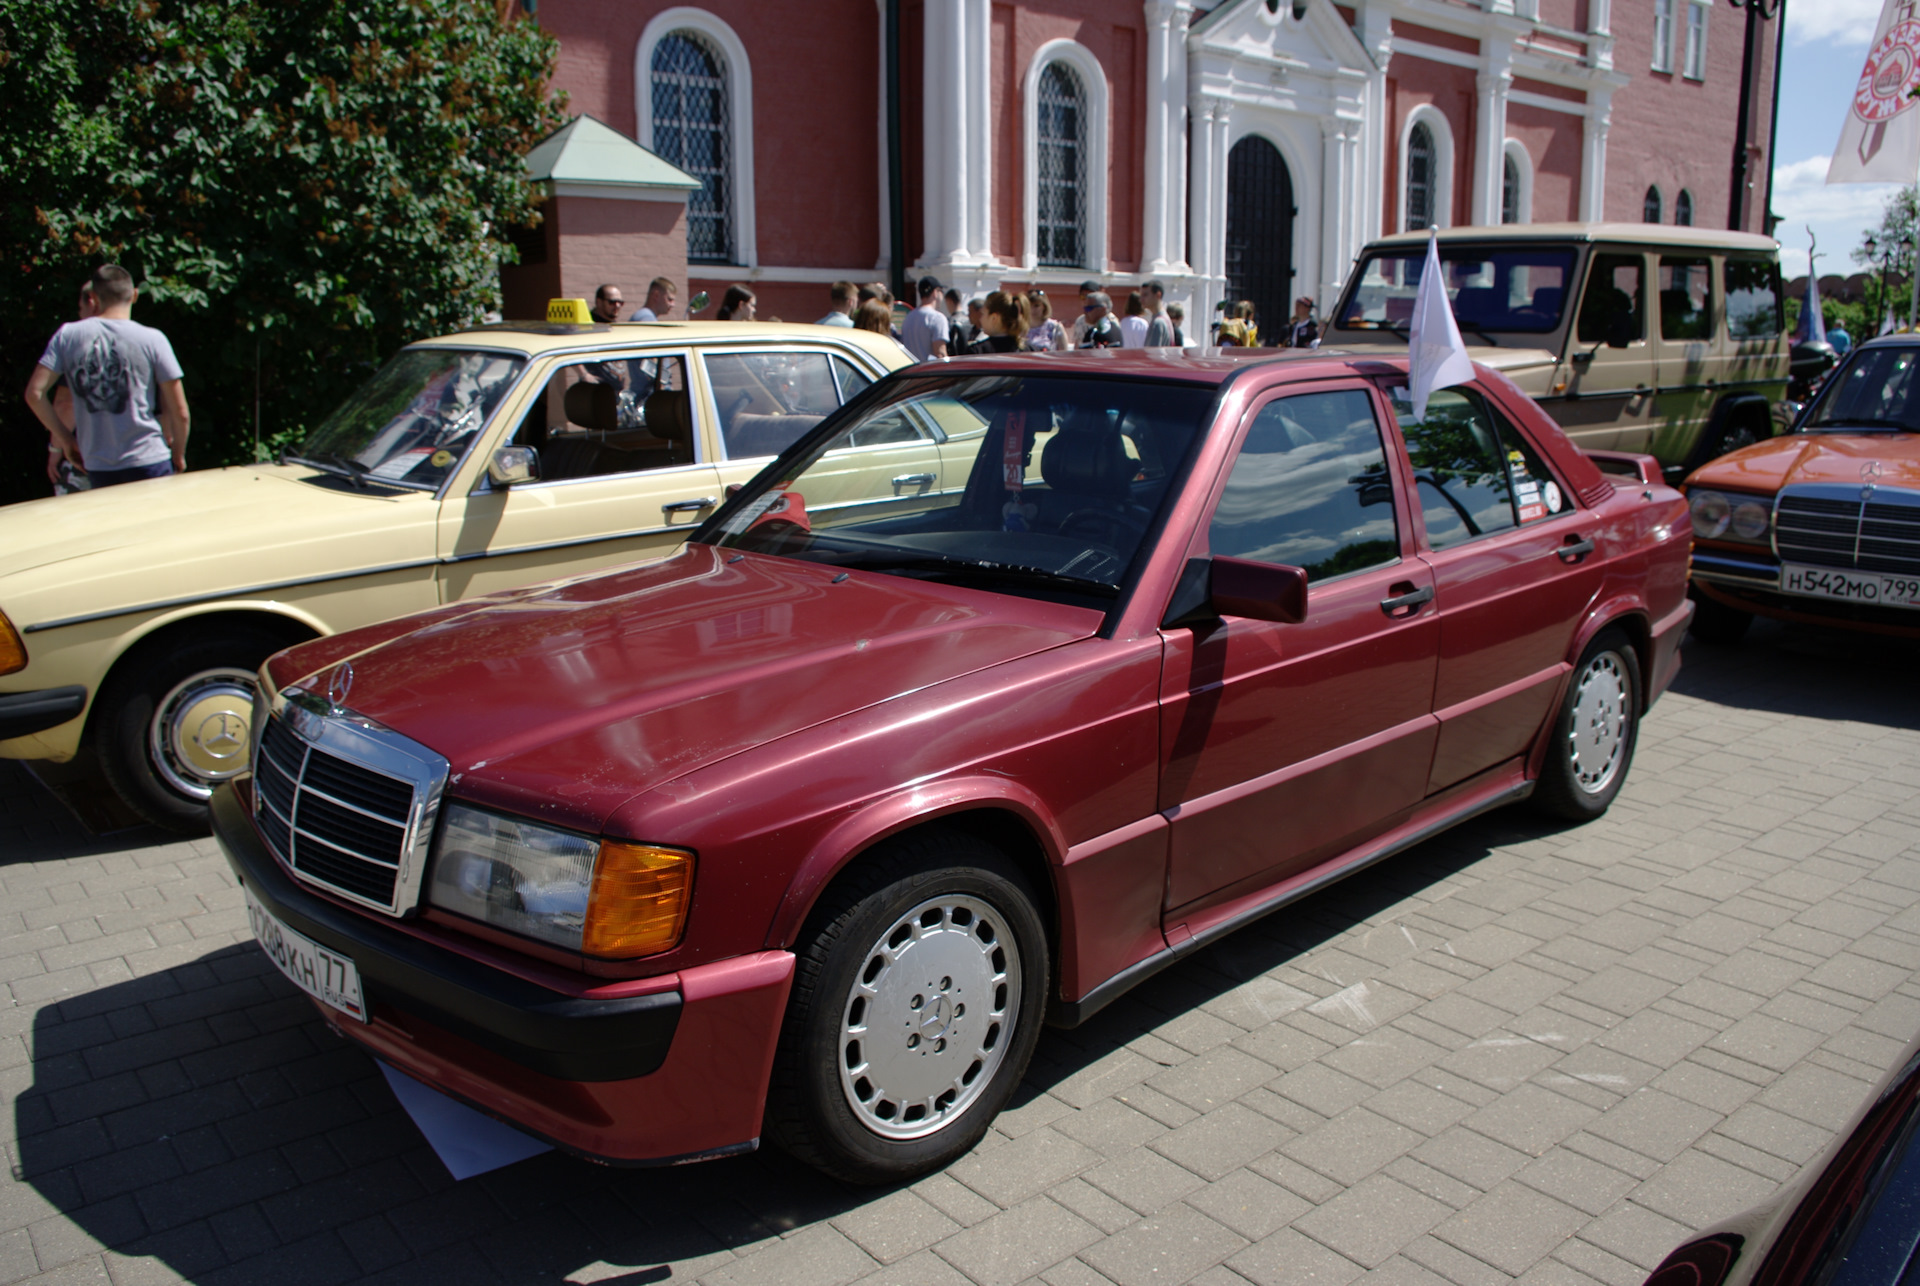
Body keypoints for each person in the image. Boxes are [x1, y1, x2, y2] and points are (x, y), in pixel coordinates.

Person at [25, 265, 189, 488]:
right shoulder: (153, 339)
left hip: (99, 465)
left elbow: (34, 394)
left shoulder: (67, 336)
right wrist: (178, 456)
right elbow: (181, 412)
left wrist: (67, 441)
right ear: (134, 295)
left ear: (92, 297)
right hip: (150, 460)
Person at [900, 275, 951, 361]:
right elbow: (940, 354)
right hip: (930, 372)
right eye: (941, 291)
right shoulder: (937, 318)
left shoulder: (908, 318)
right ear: (935, 293)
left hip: (911, 371)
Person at [1069, 278, 1102, 347]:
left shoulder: (1109, 320)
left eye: (1090, 297)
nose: (1086, 300)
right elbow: (1077, 345)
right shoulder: (1080, 321)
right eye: (1083, 296)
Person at [1142, 281, 1175, 347]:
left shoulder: (1158, 322)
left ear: (1158, 295)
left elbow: (1152, 355)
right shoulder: (1164, 318)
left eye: (1145, 295)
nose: (1141, 299)